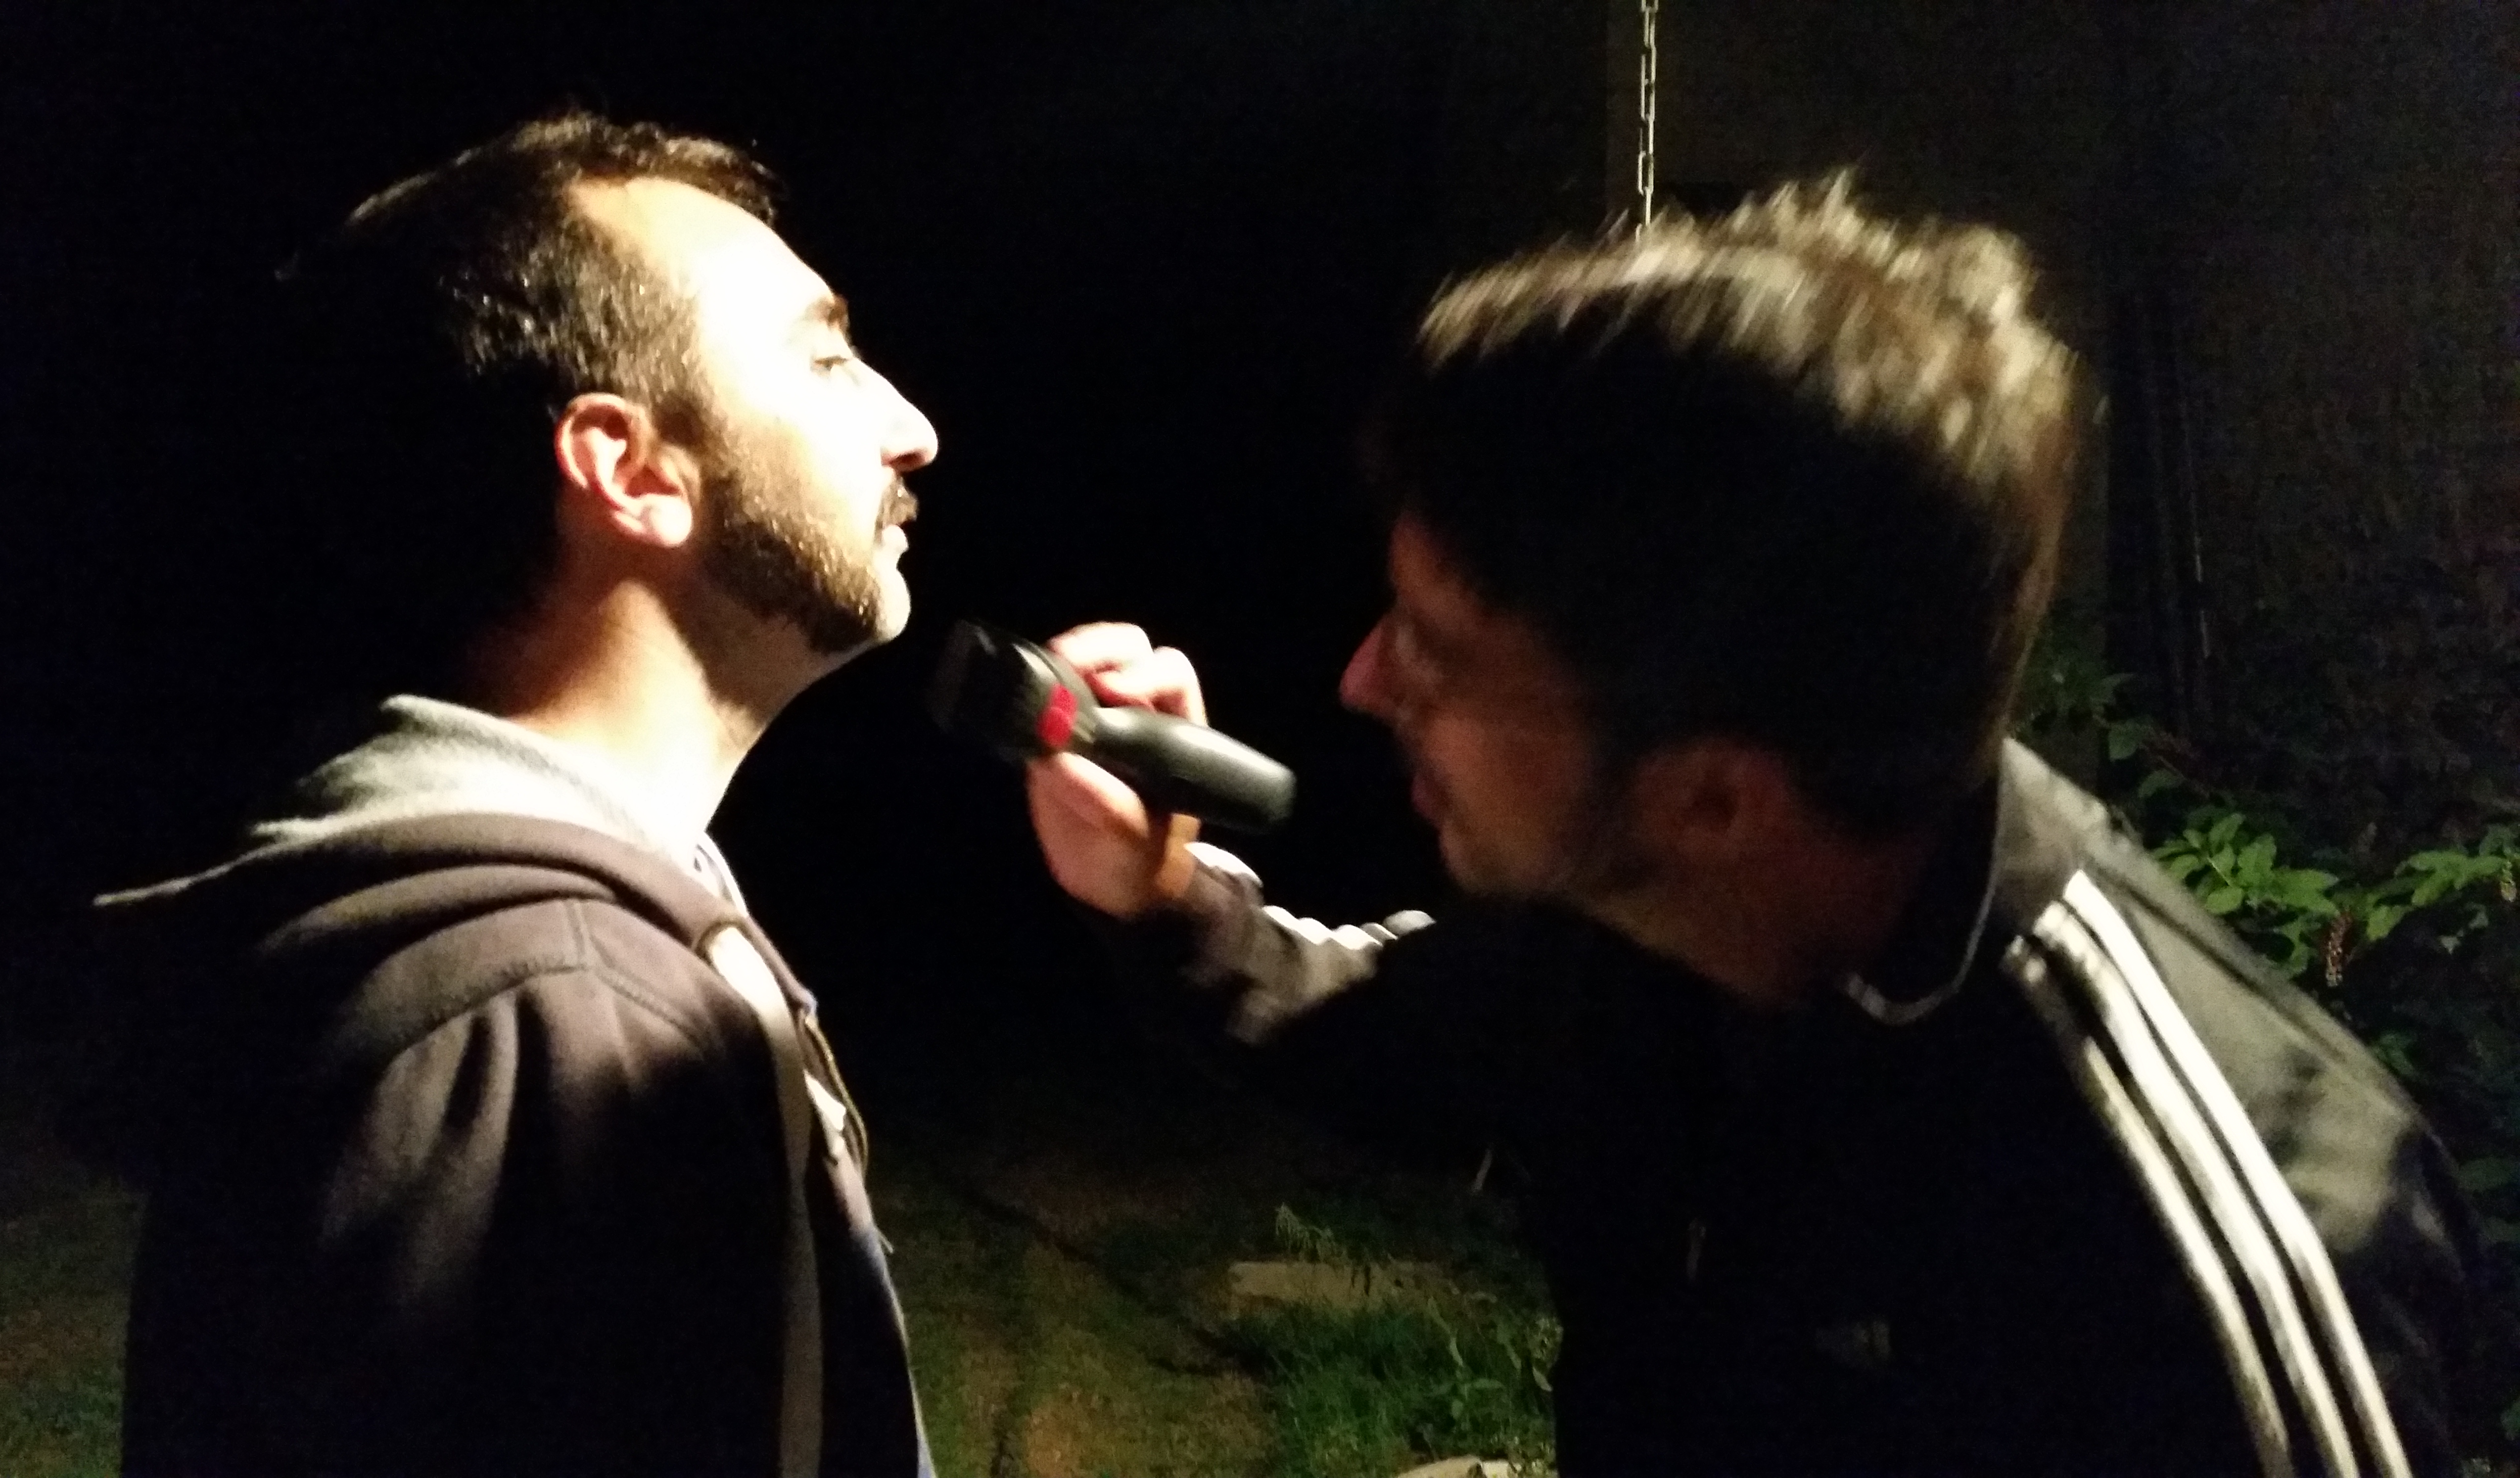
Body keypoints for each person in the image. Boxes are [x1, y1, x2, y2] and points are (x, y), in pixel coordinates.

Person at [1027, 181, 2477, 1475]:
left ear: (1715, 796)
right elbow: (1389, 1033)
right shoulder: (1651, 921)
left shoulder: (2197, 1263)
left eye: (1435, 651)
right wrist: (1163, 897)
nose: (1362, 681)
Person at [83, 113, 939, 1477]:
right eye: (826, 360)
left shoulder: (550, 939)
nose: (913, 429)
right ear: (630, 470)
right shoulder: (555, 1021)